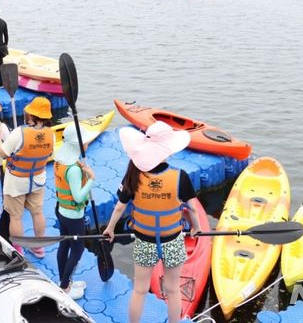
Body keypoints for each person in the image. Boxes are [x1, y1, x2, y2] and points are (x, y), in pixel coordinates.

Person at [103, 121, 203, 323]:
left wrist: (110, 228)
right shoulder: (179, 177)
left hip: (145, 241)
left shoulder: (133, 175)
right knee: (173, 290)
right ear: (167, 150)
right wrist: (197, 228)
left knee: (139, 290)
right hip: (172, 241)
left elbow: (120, 207)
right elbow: (192, 208)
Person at [0, 97, 54, 257]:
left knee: (15, 216)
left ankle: (18, 248)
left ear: (32, 115)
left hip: (16, 181)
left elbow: (2, 153)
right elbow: (49, 153)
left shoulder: (19, 132)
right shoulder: (51, 134)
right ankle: (38, 247)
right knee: (37, 212)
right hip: (37, 179)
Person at [54, 125, 95, 300]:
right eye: (85, 141)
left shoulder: (59, 161)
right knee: (77, 250)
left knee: (64, 244)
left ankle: (64, 281)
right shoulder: (75, 169)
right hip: (74, 215)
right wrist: (91, 179)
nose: (88, 143)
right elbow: (78, 198)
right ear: (76, 144)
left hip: (61, 211)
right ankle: (64, 286)